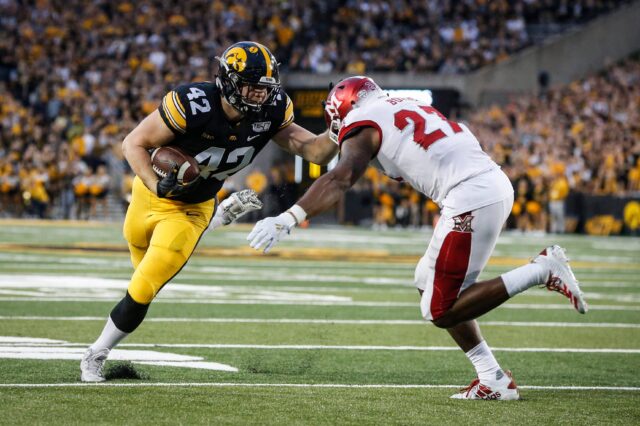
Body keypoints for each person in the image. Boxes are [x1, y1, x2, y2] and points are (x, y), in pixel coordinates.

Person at [247, 76, 588, 400]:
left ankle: (541, 270)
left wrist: (289, 217)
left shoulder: (364, 121)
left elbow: (340, 177)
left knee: (439, 309)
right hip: (487, 185)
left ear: (343, 109)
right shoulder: (401, 104)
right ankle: (493, 378)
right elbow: (320, 150)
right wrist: (266, 127)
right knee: (426, 282)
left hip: (470, 195)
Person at [80, 41, 338, 382]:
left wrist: (338, 127)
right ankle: (220, 217)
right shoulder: (194, 103)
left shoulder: (271, 111)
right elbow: (133, 143)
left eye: (266, 88)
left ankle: (95, 354)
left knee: (144, 286)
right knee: (139, 264)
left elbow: (317, 154)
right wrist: (156, 185)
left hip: (191, 207)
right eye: (253, 86)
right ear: (229, 81)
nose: (261, 95)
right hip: (149, 194)